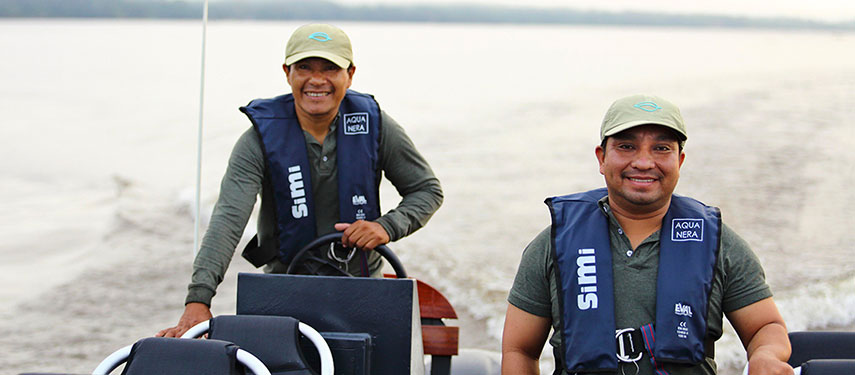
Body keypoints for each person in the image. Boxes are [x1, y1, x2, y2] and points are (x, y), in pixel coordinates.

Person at [157, 24, 443, 338]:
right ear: (287, 72)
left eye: (330, 68)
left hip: (362, 289)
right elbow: (228, 218)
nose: (316, 80)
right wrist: (199, 297)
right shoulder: (257, 141)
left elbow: (426, 190)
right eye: (304, 67)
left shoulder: (376, 126)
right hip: (284, 290)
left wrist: (386, 226)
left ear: (350, 74)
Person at [501, 94, 793, 375]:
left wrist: (766, 355)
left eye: (661, 148)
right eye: (627, 147)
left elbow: (765, 327)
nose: (643, 162)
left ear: (679, 161)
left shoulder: (719, 244)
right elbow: (520, 350)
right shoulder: (552, 245)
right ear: (601, 158)